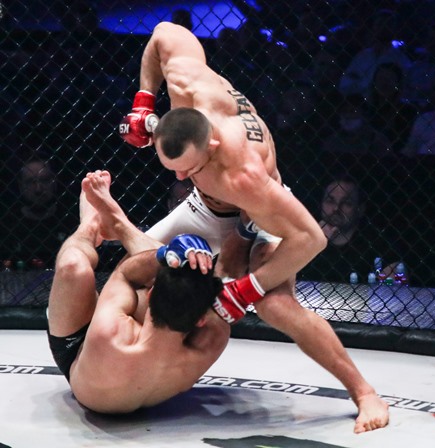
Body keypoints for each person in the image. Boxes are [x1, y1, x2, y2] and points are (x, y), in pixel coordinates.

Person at [119, 22, 389, 432]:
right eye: (172, 168)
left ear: (211, 146)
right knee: (132, 268)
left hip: (261, 216)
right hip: (207, 206)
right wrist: (142, 102)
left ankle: (364, 393)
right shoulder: (188, 83)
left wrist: (246, 286)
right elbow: (163, 33)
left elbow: (311, 238)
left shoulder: (244, 174)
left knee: (274, 306)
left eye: (188, 168)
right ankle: (134, 373)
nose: (179, 178)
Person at [47, 170, 230, 413]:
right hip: (148, 354)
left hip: (78, 355)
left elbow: (125, 273)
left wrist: (165, 255)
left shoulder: (112, 335)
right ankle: (111, 224)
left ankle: (89, 228)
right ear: (201, 319)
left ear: (151, 294)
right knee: (185, 287)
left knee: (73, 267)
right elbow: (222, 290)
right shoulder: (213, 338)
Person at [300, 175, 403, 284]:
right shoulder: (305, 239)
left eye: (346, 203)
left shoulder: (379, 244)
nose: (336, 208)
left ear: (360, 209)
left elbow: (396, 287)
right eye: (330, 201)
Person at [0, 156, 76, 269]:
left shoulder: (71, 222)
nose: (38, 189)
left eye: (44, 180)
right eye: (30, 182)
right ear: (21, 186)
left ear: (54, 182)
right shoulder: (7, 226)